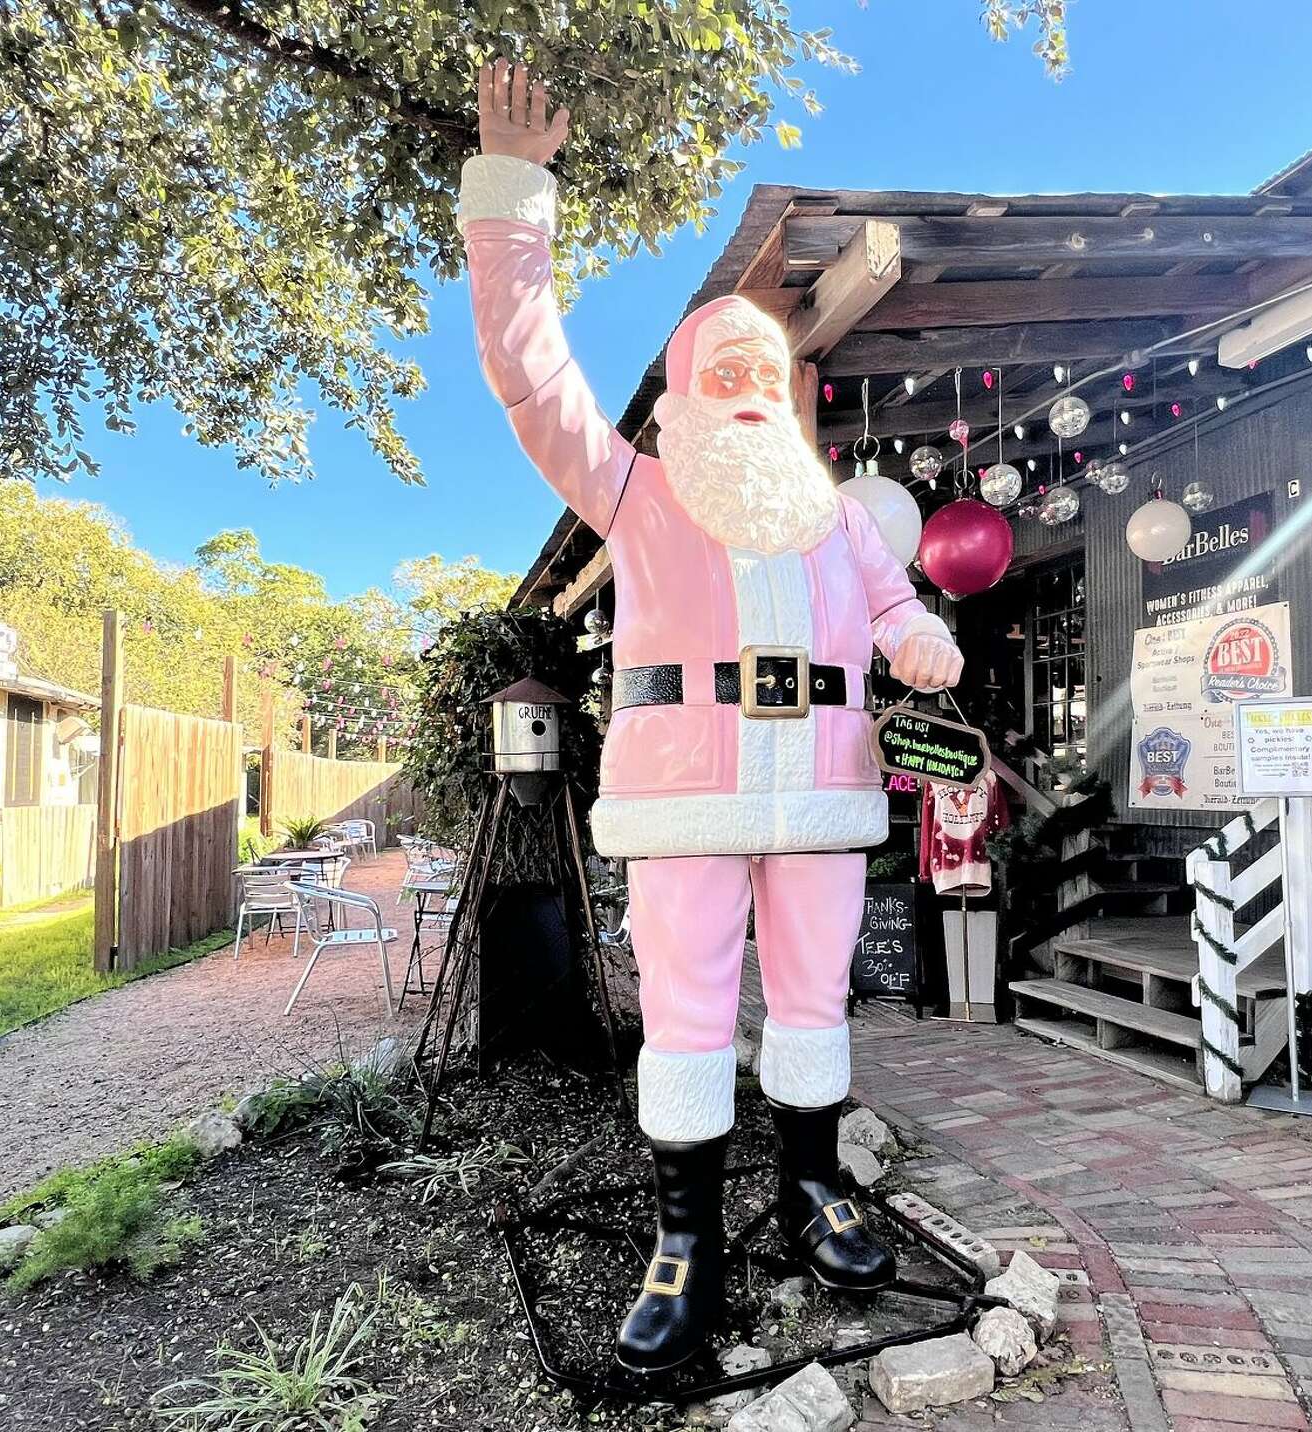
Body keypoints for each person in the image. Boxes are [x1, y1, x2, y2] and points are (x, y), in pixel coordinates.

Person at [462, 59, 965, 1372]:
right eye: (721, 368)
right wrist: (513, 201)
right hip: (687, 793)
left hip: (826, 794)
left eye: (763, 372)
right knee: (687, 1009)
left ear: (787, 398)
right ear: (685, 395)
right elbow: (531, 381)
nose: (746, 385)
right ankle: (683, 1237)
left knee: (811, 997)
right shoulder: (638, 493)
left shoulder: (841, 518)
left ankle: (813, 1188)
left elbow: (896, 604)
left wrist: (920, 641)